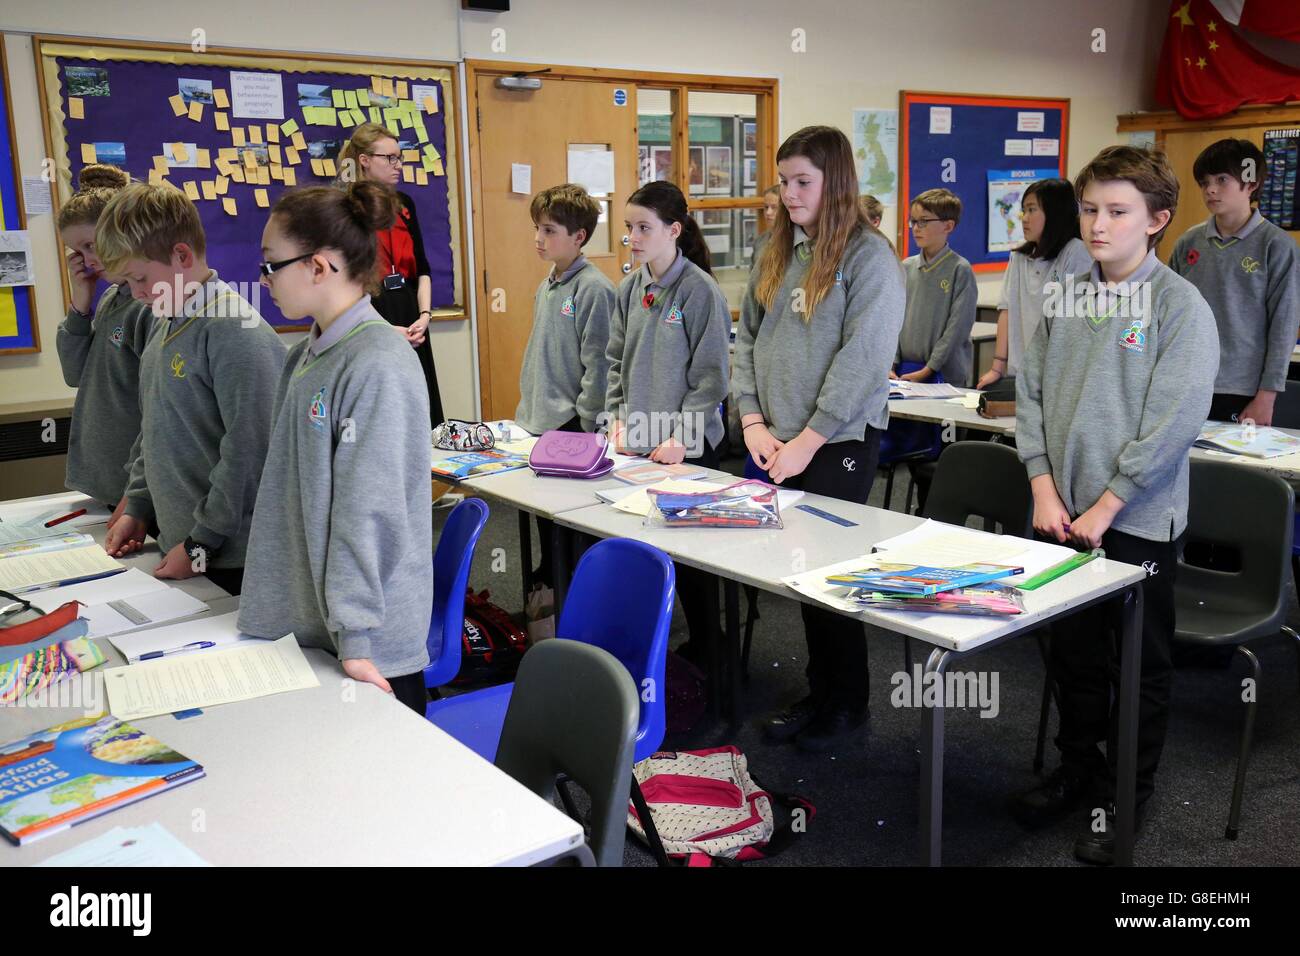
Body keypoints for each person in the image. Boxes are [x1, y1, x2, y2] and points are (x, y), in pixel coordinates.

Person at [1012, 145, 1219, 864]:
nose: (1098, 225)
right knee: (1071, 655)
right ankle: (1079, 769)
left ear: (1158, 220)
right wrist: (1041, 482)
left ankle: (1124, 796)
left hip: (1134, 524)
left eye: (1118, 212)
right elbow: (1030, 393)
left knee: (1137, 664)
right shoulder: (1069, 295)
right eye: (1091, 209)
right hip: (1058, 515)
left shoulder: (1178, 307)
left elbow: (1174, 420)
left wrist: (1107, 505)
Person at [733, 125, 905, 752]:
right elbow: (747, 338)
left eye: (802, 182)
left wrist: (808, 438)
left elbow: (863, 360)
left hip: (837, 441)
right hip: (775, 436)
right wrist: (752, 419)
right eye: (783, 182)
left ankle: (848, 702)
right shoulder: (777, 249)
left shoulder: (869, 258)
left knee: (832, 575)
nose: (788, 194)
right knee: (799, 572)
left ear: (836, 182)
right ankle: (819, 689)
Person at [238, 182, 432, 715]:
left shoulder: (377, 364)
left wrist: (357, 637)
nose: (265, 280)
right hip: (317, 628)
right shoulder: (305, 355)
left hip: (365, 650)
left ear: (318, 267)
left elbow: (369, 512)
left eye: (272, 265)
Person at [99, 183, 285, 596]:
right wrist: (139, 506)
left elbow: (250, 454)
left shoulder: (235, 330)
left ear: (181, 256)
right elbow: (155, 431)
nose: (137, 293)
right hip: (185, 548)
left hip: (232, 558)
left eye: (140, 278)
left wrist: (201, 542)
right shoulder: (165, 321)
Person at [606, 180, 730, 661]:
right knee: (643, 551)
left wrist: (682, 436)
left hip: (689, 448)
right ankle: (646, 651)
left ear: (673, 230)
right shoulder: (628, 289)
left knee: (696, 568)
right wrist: (618, 420)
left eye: (643, 228)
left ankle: (709, 652)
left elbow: (712, 379)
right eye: (628, 228)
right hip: (638, 443)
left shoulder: (700, 292)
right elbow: (615, 363)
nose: (633, 238)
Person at [516, 183, 616, 585]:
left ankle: (577, 602)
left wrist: (587, 425)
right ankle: (551, 591)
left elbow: (601, 366)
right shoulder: (548, 285)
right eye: (537, 229)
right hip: (540, 420)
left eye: (550, 231)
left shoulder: (594, 288)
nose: (539, 239)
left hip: (572, 426)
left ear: (579, 237)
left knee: (573, 530)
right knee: (546, 519)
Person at [1170, 137, 1299, 426]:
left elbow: (1284, 325)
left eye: (1222, 179)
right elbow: (1169, 313)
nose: (1211, 189)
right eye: (1204, 182)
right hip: (1186, 384)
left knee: (1228, 470)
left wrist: (1267, 396)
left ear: (1251, 184)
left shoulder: (1276, 246)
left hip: (1243, 390)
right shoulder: (1188, 242)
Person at [54, 164, 156, 522]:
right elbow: (75, 373)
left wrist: (137, 497)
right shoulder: (113, 297)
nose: (86, 260)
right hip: (107, 486)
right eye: (76, 252)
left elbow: (159, 415)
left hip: (138, 494)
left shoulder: (148, 307)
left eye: (89, 245)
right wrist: (80, 302)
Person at [337, 123, 444, 423]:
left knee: (422, 409)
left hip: (411, 313)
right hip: (372, 312)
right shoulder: (346, 208)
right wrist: (381, 327)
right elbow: (345, 282)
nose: (398, 165)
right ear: (365, 160)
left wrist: (425, 316)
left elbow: (422, 269)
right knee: (386, 411)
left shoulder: (405, 205)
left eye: (400, 158)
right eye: (390, 158)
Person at [976, 178, 1092, 389]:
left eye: (1031, 210)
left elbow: (1074, 322)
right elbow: (1006, 310)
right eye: (1023, 210)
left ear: (1054, 212)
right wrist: (997, 366)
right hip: (1020, 372)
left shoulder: (1076, 252)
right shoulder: (1019, 257)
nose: (1024, 218)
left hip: (1058, 375)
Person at [894, 188, 977, 386]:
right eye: (913, 221)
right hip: (905, 371)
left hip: (944, 375)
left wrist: (929, 368)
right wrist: (892, 362)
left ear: (948, 225)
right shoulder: (906, 266)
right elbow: (895, 319)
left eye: (924, 221)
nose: (916, 228)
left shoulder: (960, 269)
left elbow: (956, 330)